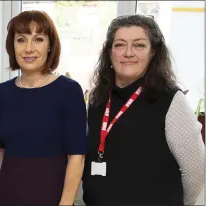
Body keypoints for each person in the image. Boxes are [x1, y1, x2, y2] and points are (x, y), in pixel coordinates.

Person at [82, 14, 205, 206]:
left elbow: (196, 170)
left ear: (153, 52)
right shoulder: (96, 99)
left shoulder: (171, 99)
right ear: (109, 52)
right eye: (120, 44)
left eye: (139, 45)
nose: (128, 53)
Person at [0, 10, 87, 205]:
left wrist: (65, 203)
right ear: (12, 46)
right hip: (6, 197)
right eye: (21, 40)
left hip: (50, 198)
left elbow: (77, 156)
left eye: (38, 39)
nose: (29, 48)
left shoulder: (68, 90)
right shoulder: (3, 92)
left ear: (50, 45)